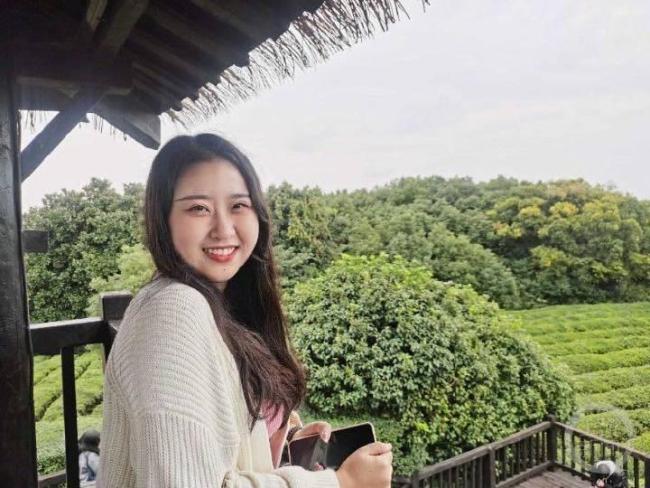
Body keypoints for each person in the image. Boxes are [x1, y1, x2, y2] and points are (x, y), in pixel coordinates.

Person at [98, 134, 393, 488]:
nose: (224, 229)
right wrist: (339, 483)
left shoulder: (222, 305)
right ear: (164, 219)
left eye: (238, 205)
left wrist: (283, 445)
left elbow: (217, 449)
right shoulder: (170, 312)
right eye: (198, 208)